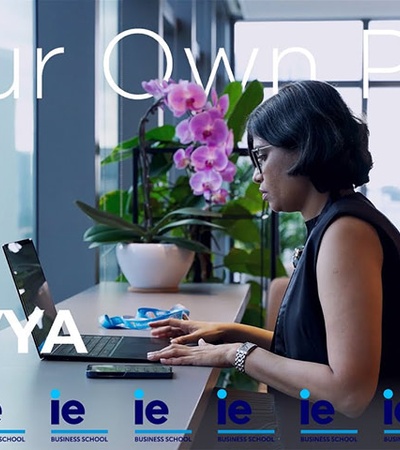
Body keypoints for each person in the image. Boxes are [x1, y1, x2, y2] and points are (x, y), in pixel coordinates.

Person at [147, 80, 400, 449]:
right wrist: (232, 331)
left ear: (305, 148)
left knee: (170, 426)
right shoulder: (338, 222)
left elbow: (349, 393)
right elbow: (316, 350)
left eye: (262, 156)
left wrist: (234, 354)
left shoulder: (346, 233)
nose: (256, 175)